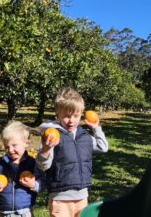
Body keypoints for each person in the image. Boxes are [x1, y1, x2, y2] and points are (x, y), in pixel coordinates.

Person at [36, 87, 108, 217]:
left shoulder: (84, 136)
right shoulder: (53, 135)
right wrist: (46, 149)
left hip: (82, 196)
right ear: (58, 114)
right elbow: (42, 165)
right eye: (66, 116)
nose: (71, 120)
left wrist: (96, 128)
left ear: (81, 113)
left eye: (76, 115)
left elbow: (103, 147)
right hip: (60, 198)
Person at [0, 121, 45, 217]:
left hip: (25, 212)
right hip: (3, 213)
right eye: (7, 147)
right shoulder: (0, 163)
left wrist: (33, 184)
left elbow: (43, 183)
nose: (10, 150)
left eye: (14, 145)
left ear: (26, 143)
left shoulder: (33, 163)